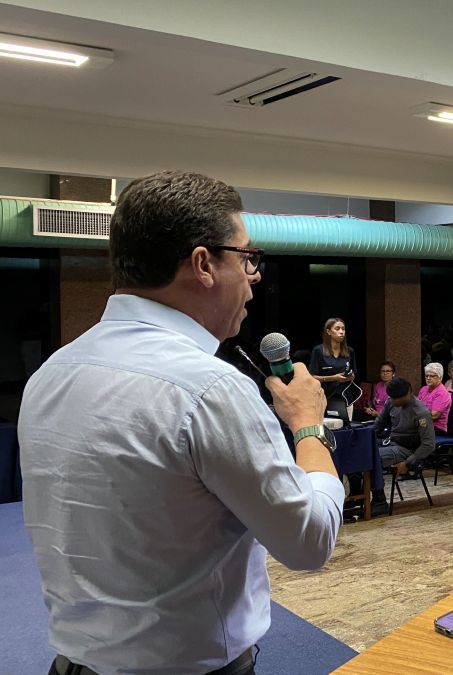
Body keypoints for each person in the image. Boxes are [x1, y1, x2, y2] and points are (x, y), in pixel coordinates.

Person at [20, 170, 342, 675]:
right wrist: (307, 426)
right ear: (203, 264)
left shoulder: (50, 375)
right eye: (247, 258)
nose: (255, 277)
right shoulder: (210, 390)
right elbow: (309, 541)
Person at [373, 378, 436, 506]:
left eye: (396, 398)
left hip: (407, 450)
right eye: (391, 397)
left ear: (407, 394)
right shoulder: (390, 402)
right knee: (357, 454)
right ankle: (357, 496)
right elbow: (377, 427)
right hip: (391, 442)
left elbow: (429, 445)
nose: (392, 400)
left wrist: (408, 462)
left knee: (371, 458)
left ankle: (379, 502)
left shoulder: (420, 412)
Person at [310, 317, 357, 403]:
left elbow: (353, 374)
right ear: (328, 331)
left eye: (343, 329)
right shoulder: (318, 351)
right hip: (324, 398)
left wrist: (350, 376)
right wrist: (333, 378)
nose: (341, 332)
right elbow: (312, 377)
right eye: (337, 329)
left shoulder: (350, 351)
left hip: (345, 398)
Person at [417, 362, 452, 433]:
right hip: (422, 424)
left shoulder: (442, 393)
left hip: (436, 428)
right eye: (426, 376)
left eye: (432, 376)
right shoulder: (423, 389)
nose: (428, 378)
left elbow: (434, 416)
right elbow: (415, 406)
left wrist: (415, 421)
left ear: (440, 377)